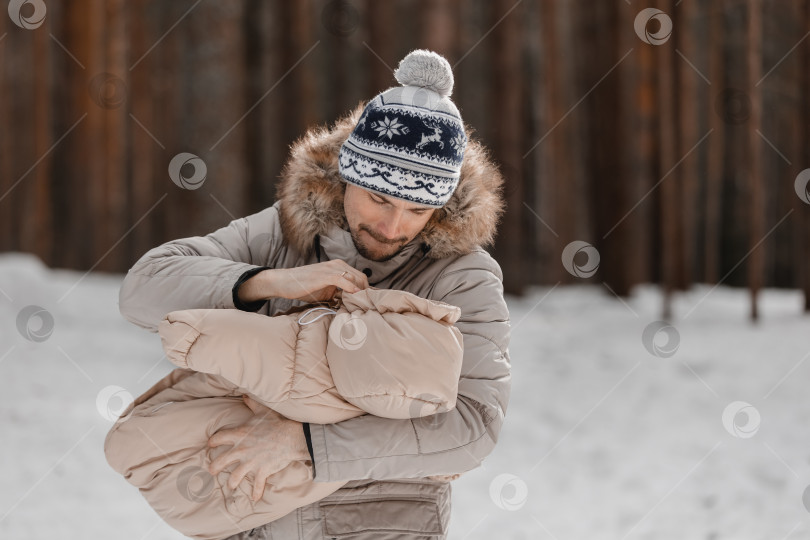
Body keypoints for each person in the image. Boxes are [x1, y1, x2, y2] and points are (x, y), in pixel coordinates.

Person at [118, 49, 511, 540]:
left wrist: (304, 442)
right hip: (255, 519)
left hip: (384, 519)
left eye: (418, 210)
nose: (393, 227)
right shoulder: (285, 230)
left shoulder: (465, 275)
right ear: (346, 176)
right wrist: (266, 282)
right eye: (379, 198)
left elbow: (473, 427)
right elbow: (142, 288)